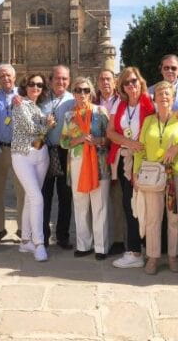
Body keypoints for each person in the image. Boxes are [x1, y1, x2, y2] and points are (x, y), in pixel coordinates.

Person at [134, 81, 178, 275]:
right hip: (153, 175)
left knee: (175, 218)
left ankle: (172, 256)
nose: (163, 97)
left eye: (167, 94)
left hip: (177, 174)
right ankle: (153, 257)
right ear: (154, 98)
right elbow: (140, 148)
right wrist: (137, 172)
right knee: (153, 218)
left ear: (173, 98)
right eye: (160, 94)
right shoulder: (148, 121)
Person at [106, 66, 155, 268]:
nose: (131, 85)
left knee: (146, 206)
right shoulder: (119, 103)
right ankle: (134, 251)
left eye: (134, 81)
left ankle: (146, 250)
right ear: (122, 86)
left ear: (140, 81)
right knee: (129, 204)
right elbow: (110, 132)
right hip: (125, 159)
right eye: (126, 82)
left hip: (145, 161)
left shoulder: (149, 102)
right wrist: (130, 144)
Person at [61, 76, 111, 259]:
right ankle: (83, 245)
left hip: (99, 164)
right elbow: (64, 142)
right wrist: (80, 139)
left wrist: (99, 140)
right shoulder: (69, 115)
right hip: (76, 163)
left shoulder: (100, 111)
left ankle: (101, 247)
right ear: (73, 93)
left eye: (85, 90)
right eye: (78, 90)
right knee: (80, 205)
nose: (82, 94)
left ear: (91, 92)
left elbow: (110, 137)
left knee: (100, 206)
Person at [11, 73, 55, 262]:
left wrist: (46, 124)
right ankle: (39, 243)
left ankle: (25, 241)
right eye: (31, 84)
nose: (35, 88)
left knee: (31, 198)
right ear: (25, 86)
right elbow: (31, 129)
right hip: (22, 155)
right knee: (37, 197)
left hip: (41, 155)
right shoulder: (19, 103)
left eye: (39, 85)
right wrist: (48, 126)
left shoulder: (38, 108)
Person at [0, 63, 25, 244]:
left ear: (14, 77)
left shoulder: (24, 95)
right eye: (2, 76)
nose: (5, 79)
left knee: (22, 191)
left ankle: (22, 229)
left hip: (19, 150)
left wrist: (23, 106)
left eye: (8, 75)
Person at [40, 65, 75, 249]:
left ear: (68, 80)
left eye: (64, 79)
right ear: (50, 80)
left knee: (65, 196)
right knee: (44, 196)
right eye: (57, 78)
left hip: (66, 152)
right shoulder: (42, 99)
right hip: (45, 151)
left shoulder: (73, 100)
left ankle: (62, 236)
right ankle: (43, 236)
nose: (61, 82)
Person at [96, 68, 125, 256]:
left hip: (115, 153)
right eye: (102, 79)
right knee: (98, 199)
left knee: (117, 196)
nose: (105, 82)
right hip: (95, 156)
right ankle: (99, 239)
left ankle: (119, 239)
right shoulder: (93, 102)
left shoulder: (121, 102)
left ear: (114, 82)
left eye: (108, 79)